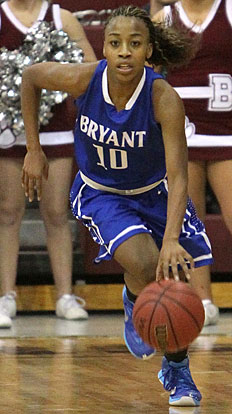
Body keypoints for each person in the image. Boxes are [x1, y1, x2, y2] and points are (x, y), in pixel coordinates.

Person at [21, 6, 213, 407]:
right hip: (101, 193)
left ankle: (175, 367)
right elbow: (30, 77)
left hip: (155, 194)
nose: (124, 51)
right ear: (104, 48)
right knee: (145, 264)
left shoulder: (163, 99)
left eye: (135, 43)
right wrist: (34, 150)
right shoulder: (84, 79)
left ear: (149, 51)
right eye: (115, 43)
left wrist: (174, 238)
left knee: (174, 277)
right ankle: (142, 314)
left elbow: (179, 176)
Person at [0, 0, 97, 328]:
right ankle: (5, 296)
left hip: (56, 127)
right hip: (9, 130)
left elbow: (91, 67)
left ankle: (65, 295)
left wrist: (58, 76)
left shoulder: (62, 17)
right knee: (8, 211)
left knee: (57, 212)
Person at [151, 0, 232, 326]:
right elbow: (148, 74)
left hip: (226, 134)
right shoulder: (164, 18)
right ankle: (202, 301)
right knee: (189, 223)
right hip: (179, 136)